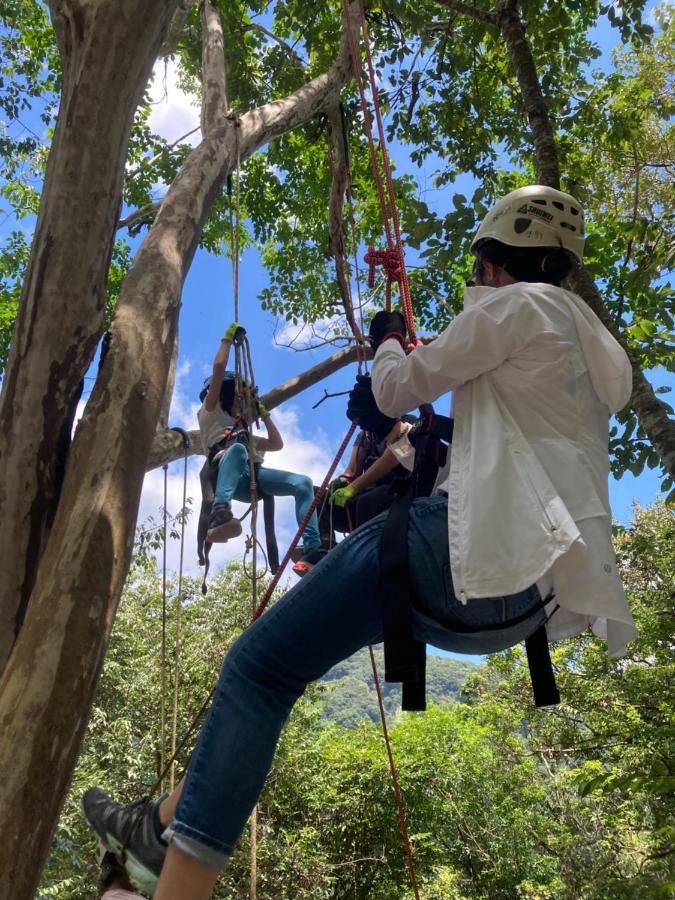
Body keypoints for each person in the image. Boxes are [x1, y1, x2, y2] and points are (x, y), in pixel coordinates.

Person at [83, 185, 636, 899]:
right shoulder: (584, 360)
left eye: (480, 272)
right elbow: (498, 442)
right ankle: (156, 826)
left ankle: (170, 876)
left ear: (496, 265)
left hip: (453, 558)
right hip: (524, 603)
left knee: (259, 673)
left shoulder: (514, 305)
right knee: (268, 680)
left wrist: (383, 337)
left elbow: (395, 389)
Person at [197, 321, 324, 572]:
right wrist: (227, 339)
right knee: (238, 450)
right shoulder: (210, 412)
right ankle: (220, 512)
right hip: (226, 472)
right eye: (238, 396)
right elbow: (219, 369)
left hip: (252, 476)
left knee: (303, 483)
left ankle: (312, 548)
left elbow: (277, 444)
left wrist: (263, 414)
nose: (241, 402)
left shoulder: (243, 430)